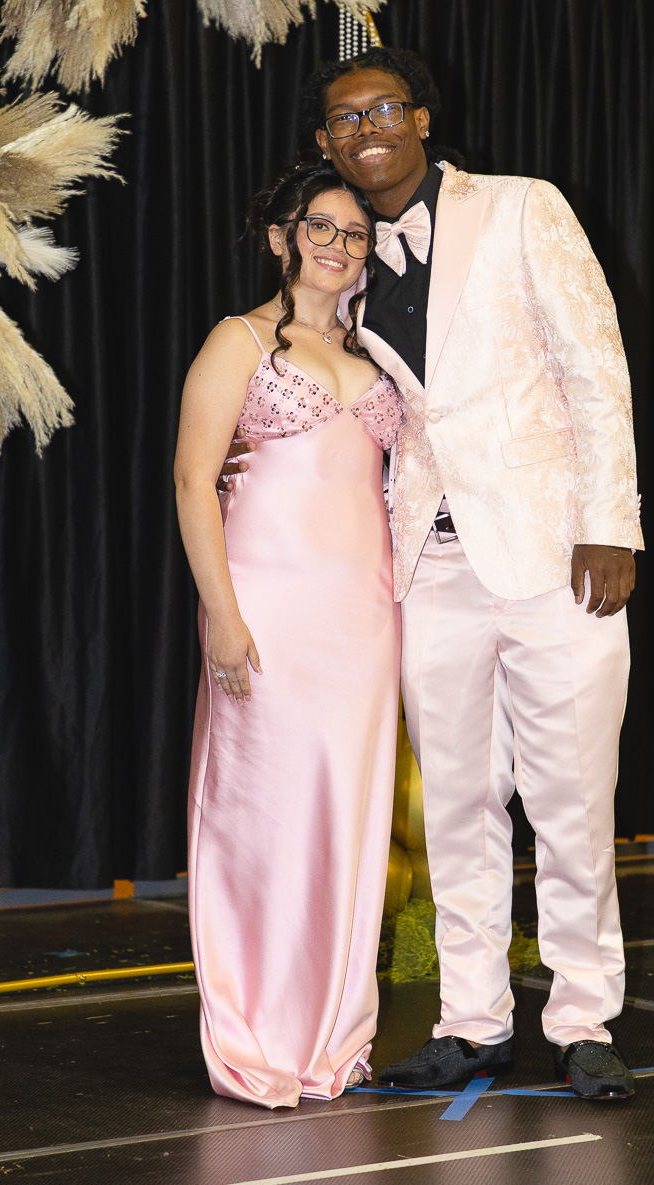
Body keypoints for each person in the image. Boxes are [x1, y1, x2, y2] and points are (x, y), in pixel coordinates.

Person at [223, 47, 644, 1101]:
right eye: (340, 119)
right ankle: (470, 1021)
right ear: (323, 143)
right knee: (457, 803)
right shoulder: (343, 262)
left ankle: (584, 1018)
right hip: (429, 567)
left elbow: (594, 365)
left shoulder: (519, 209)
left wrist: (610, 525)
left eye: (381, 110)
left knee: (570, 803)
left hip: (555, 559)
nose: (364, 130)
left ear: (419, 116)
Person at [174, 160, 402, 1109]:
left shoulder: (384, 356)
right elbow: (194, 482)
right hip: (267, 613)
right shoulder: (239, 341)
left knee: (350, 825)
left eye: (355, 233)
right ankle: (255, 1033)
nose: (339, 245)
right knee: (262, 827)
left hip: (366, 622)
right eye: (322, 226)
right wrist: (222, 616)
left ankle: (334, 1037)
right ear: (282, 237)